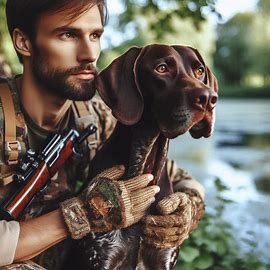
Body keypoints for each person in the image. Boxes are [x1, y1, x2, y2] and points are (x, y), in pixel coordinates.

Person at [0, 1, 205, 269]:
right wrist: (84, 213)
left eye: (95, 35)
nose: (89, 54)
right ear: (24, 42)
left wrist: (186, 210)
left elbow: (181, 179)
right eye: (68, 35)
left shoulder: (97, 116)